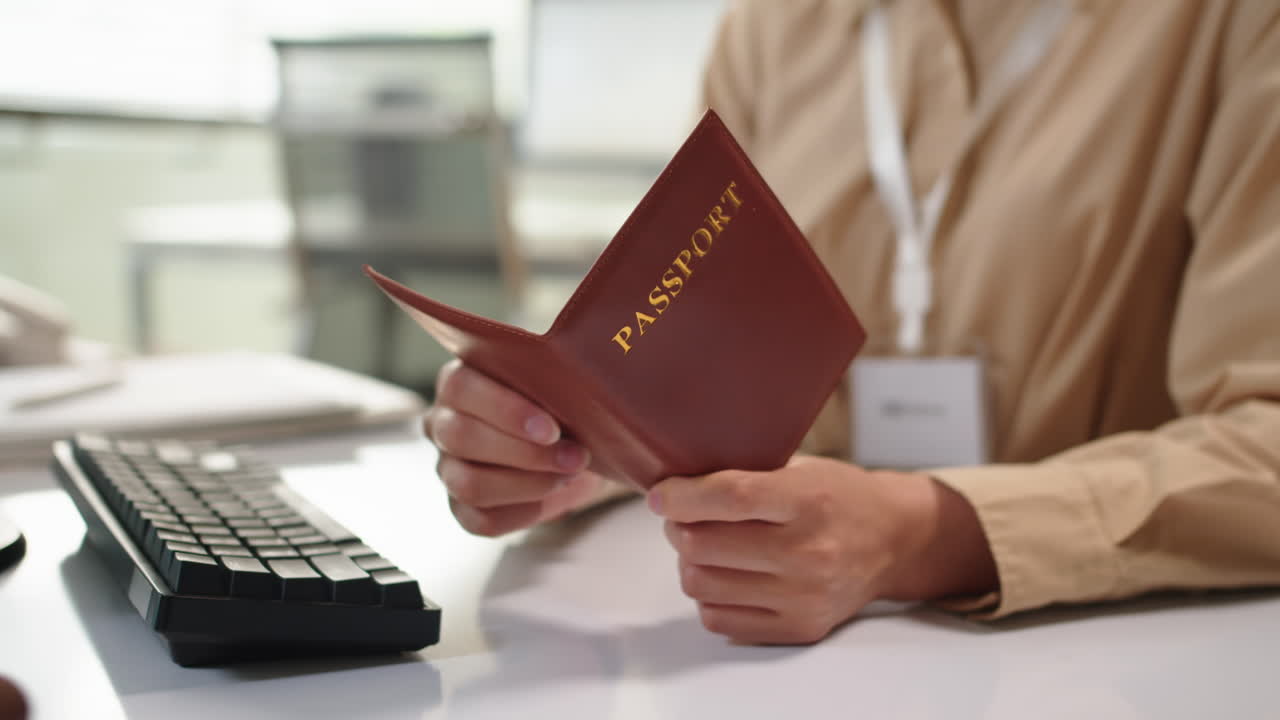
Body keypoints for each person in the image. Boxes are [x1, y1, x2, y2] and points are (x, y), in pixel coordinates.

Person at [424, 0, 1280, 644]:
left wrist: (929, 534)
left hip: (1115, 660)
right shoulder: (774, 28)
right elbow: (706, 344)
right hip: (793, 664)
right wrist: (593, 451)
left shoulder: (1234, 23)